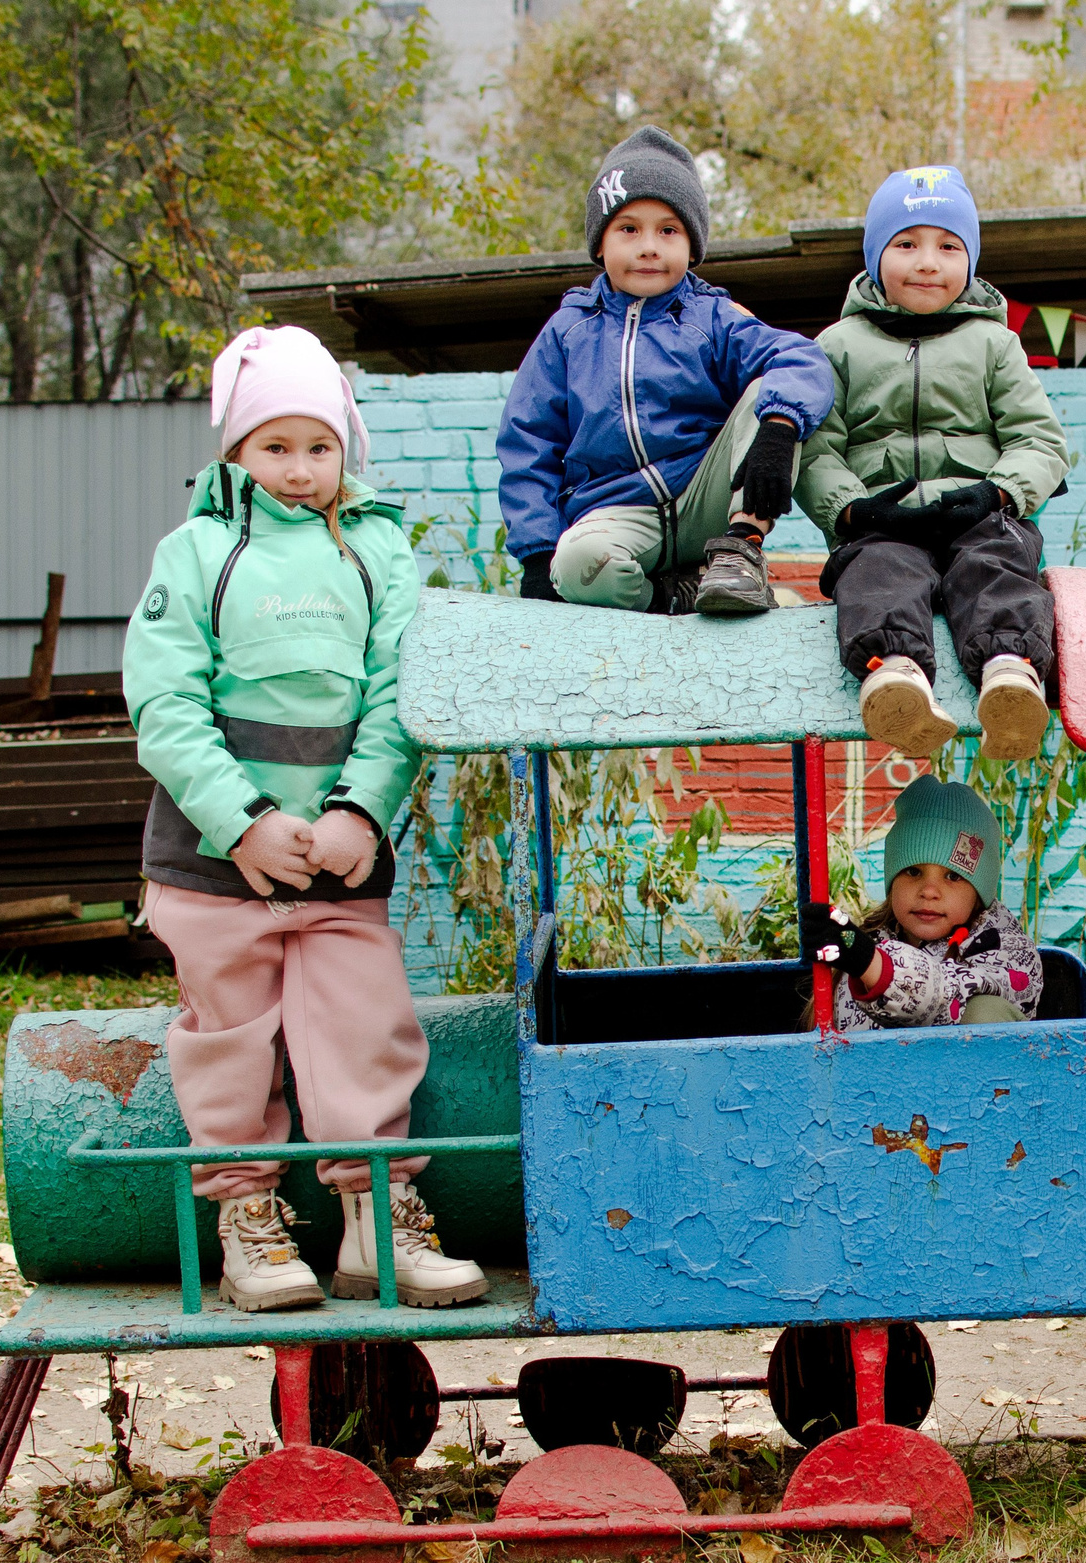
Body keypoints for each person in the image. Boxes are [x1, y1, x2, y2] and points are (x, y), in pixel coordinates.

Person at [124, 325, 487, 1313]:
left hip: (337, 863)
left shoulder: (375, 551)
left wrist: (359, 812)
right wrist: (240, 822)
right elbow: (164, 703)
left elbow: (396, 695)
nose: (297, 469)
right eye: (273, 447)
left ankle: (380, 1223)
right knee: (228, 1042)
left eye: (317, 447)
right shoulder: (196, 551)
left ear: (346, 449)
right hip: (214, 868)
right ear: (234, 453)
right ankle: (249, 1223)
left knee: (365, 1033)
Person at [498, 126, 834, 617]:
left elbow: (803, 359)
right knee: (575, 564)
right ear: (599, 244)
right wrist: (536, 552)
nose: (649, 246)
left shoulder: (713, 318)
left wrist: (779, 432)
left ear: (693, 247)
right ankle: (672, 596)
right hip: (618, 510)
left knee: (775, 394)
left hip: (708, 502)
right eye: (628, 229)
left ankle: (739, 556)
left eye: (668, 230)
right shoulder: (568, 332)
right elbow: (527, 441)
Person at [794, 166, 1070, 762]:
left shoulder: (994, 344)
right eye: (906, 244)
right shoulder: (837, 345)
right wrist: (852, 510)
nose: (927, 262)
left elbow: (1040, 440)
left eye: (948, 246)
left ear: (969, 262)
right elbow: (816, 449)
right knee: (875, 572)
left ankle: (1010, 673)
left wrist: (998, 493)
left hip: (975, 513)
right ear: (874, 258)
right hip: (885, 519)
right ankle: (895, 676)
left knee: (995, 564)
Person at [798, 777, 1044, 1029]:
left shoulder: (1006, 948)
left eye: (953, 876)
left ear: (978, 893)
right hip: (874, 1067)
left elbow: (948, 995)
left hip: (971, 1066)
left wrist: (873, 965)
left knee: (984, 1011)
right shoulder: (871, 939)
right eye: (913, 872)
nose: (928, 891)